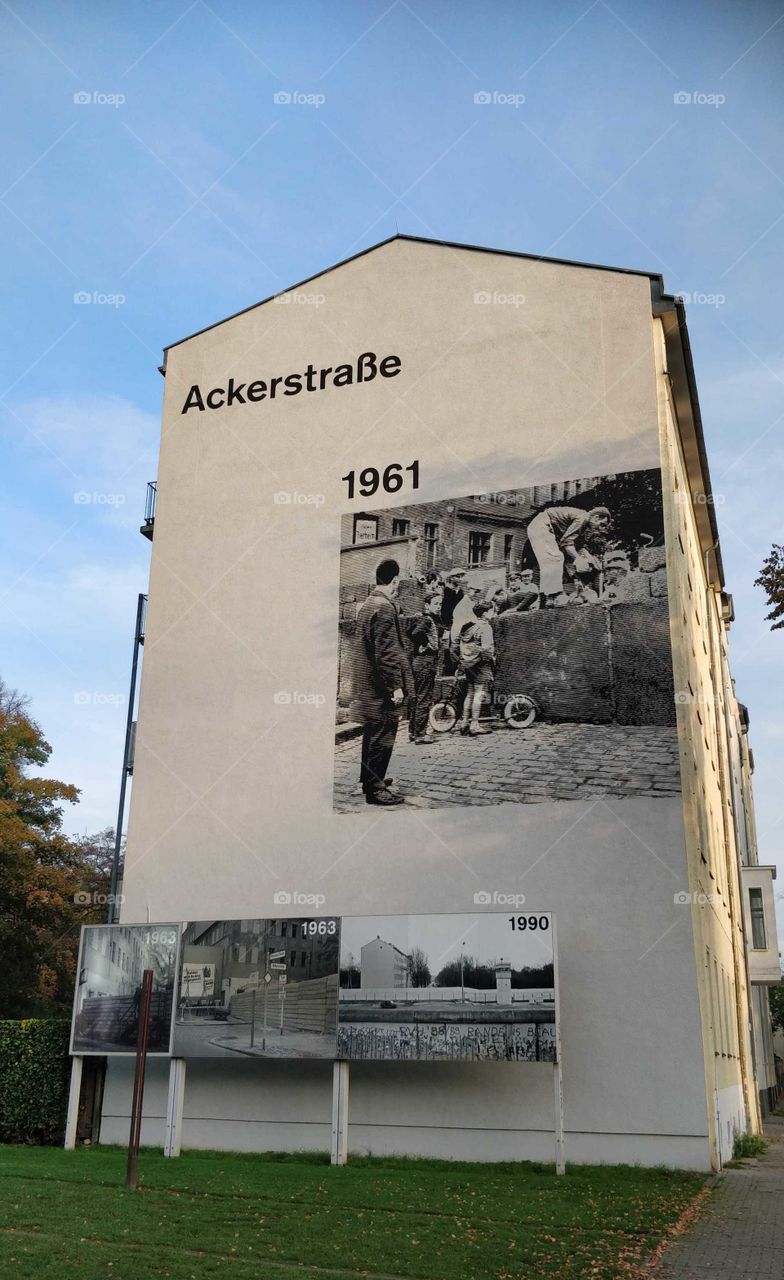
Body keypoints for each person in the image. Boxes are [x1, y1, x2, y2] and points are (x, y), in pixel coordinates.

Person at [351, 559, 412, 806]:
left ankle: (369, 779)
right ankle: (375, 789)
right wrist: (395, 686)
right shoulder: (385, 607)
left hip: (368, 683)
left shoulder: (368, 603)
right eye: (399, 582)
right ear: (395, 580)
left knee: (372, 733)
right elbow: (386, 653)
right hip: (380, 686)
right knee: (383, 734)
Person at [525, 506, 612, 606]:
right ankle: (555, 595)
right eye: (601, 524)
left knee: (556, 560)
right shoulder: (583, 518)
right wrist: (580, 560)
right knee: (555, 557)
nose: (599, 528)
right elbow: (567, 545)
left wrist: (588, 560)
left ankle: (547, 598)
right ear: (596, 517)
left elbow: (576, 546)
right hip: (542, 525)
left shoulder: (584, 525)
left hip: (546, 527)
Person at [456, 600, 496, 736]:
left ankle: (464, 723)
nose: (493, 613)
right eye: (492, 610)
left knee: (470, 693)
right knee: (479, 694)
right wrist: (491, 659)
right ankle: (475, 724)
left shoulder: (469, 626)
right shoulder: (485, 627)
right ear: (485, 613)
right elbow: (487, 650)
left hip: (468, 664)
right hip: (481, 665)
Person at [407, 593, 440, 744]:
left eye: (440, 604)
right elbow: (414, 633)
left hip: (419, 662)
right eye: (436, 604)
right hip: (426, 662)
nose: (439, 607)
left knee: (417, 697)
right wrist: (425, 644)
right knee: (424, 698)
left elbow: (409, 631)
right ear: (427, 605)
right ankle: (420, 734)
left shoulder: (421, 617)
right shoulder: (426, 619)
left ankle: (413, 732)